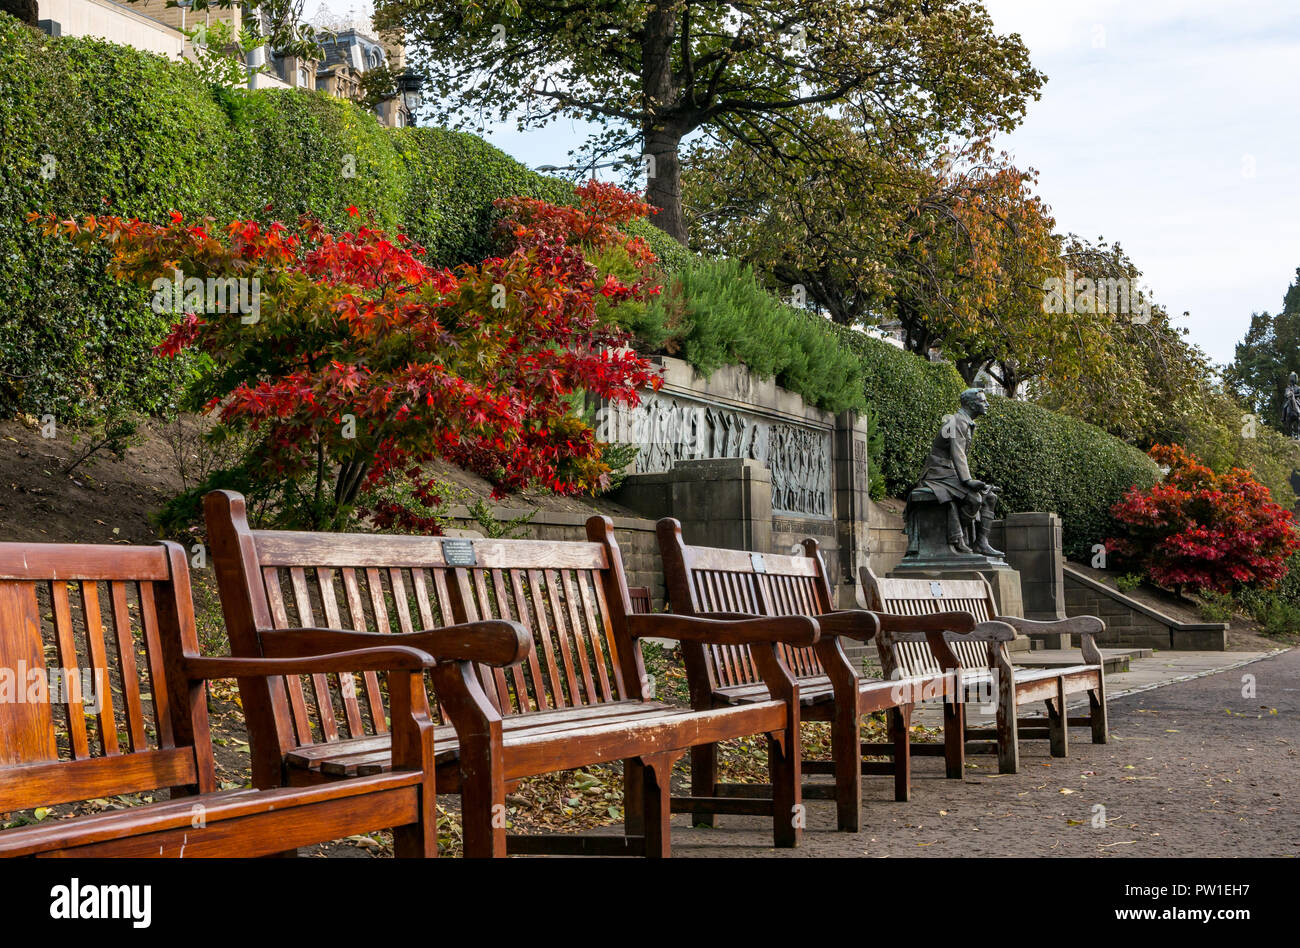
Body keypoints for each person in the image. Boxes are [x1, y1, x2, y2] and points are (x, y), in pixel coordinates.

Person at [909, 387, 1003, 556]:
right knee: (974, 497)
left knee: (990, 496)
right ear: (970, 404)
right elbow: (957, 452)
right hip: (938, 474)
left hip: (950, 473)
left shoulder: (965, 421)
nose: (987, 404)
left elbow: (958, 457)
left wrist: (969, 480)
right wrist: (968, 481)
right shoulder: (957, 421)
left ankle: (981, 543)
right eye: (982, 401)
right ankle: (956, 537)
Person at [1282, 372, 1300, 439]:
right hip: (1289, 400)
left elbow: (1299, 394)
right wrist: (1288, 395)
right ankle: (1283, 417)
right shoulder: (1288, 388)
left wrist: (1293, 395)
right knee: (1285, 407)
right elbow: (1285, 395)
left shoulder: (1298, 388)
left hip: (1296, 400)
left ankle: (1298, 434)